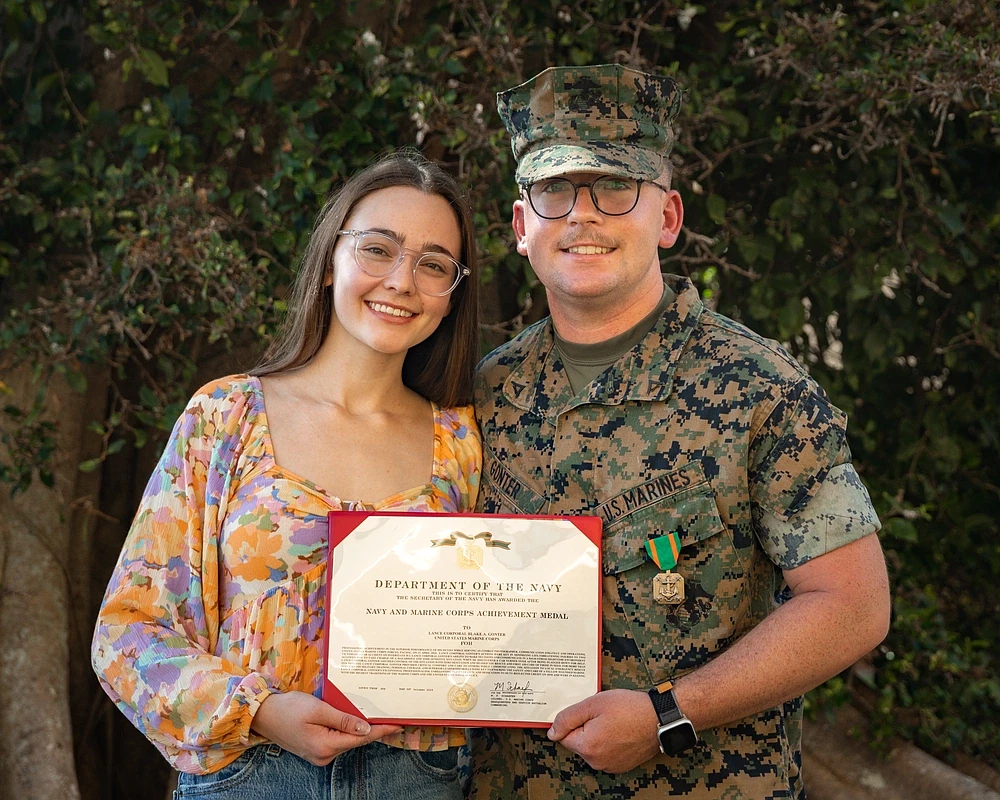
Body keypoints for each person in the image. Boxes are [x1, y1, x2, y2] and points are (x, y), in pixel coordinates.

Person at [468, 64, 891, 799]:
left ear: (666, 217)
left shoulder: (761, 389)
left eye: (616, 189)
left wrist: (670, 714)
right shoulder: (483, 395)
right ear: (520, 226)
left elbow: (852, 606)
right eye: (555, 191)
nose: (583, 215)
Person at [92, 151, 482, 800]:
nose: (402, 281)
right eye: (378, 249)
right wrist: (260, 709)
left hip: (416, 780)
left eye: (434, 264)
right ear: (331, 259)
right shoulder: (224, 418)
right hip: (250, 772)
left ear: (451, 295)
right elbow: (125, 632)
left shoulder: (465, 444)